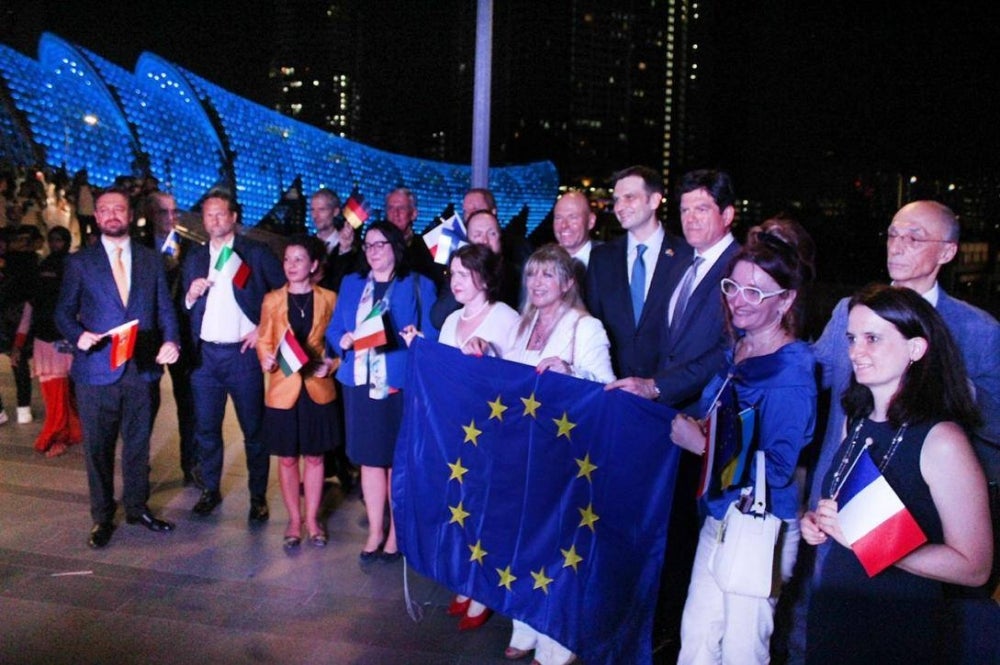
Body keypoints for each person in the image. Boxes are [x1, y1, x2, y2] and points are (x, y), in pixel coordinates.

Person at [785, 200, 1000, 664]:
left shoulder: (978, 336)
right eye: (892, 234)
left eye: (914, 237)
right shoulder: (856, 410)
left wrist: (951, 390)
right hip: (836, 595)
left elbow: (972, 563)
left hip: (907, 607)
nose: (857, 352)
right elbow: (811, 379)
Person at [606, 168, 741, 656]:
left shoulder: (739, 269)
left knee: (689, 542)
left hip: (706, 425)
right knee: (670, 534)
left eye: (702, 208)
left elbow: (727, 351)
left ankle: (672, 641)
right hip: (669, 423)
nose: (691, 218)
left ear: (728, 214)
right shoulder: (687, 261)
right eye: (685, 209)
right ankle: (660, 632)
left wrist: (658, 386)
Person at [669, 223, 817, 663]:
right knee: (696, 639)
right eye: (732, 287)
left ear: (785, 300)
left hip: (761, 525)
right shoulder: (742, 347)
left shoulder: (792, 371)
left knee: (742, 649)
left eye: (755, 292)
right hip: (721, 513)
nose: (738, 300)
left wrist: (702, 446)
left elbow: (778, 469)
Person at [502, 244, 615, 665]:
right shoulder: (522, 324)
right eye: (532, 274)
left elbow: (606, 389)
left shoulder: (586, 328)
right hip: (522, 451)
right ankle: (526, 624)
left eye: (548, 274)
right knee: (524, 541)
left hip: (564, 455)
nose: (537, 282)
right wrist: (486, 353)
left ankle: (558, 639)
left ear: (568, 283)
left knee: (558, 547)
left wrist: (571, 372)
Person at [401, 242, 520, 630]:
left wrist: (491, 354)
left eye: (464, 275)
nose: (455, 282)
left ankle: (484, 589)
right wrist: (420, 347)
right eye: (452, 274)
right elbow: (443, 372)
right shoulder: (451, 320)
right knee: (460, 507)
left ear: (484, 278)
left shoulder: (505, 318)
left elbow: (518, 376)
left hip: (490, 431)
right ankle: (467, 581)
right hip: (455, 429)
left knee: (485, 510)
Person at [54, 185, 180, 548]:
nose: (112, 215)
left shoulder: (151, 259)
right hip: (96, 371)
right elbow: (63, 312)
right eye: (105, 209)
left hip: (141, 369)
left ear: (130, 215)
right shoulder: (80, 262)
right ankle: (102, 516)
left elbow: (165, 308)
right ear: (96, 217)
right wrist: (78, 335)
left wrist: (172, 341)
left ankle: (138, 507)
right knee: (98, 448)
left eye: (119, 209)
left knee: (138, 446)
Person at [326, 220, 437, 563]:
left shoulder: (418, 284)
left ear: (395, 247)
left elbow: (434, 336)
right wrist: (342, 340)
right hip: (360, 383)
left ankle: (396, 533)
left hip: (397, 384)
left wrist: (417, 338)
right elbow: (334, 328)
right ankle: (375, 530)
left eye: (380, 244)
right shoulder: (352, 282)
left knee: (396, 462)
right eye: (368, 245)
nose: (373, 251)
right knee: (370, 461)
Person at [182, 188, 285, 522]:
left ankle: (257, 497)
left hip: (242, 357)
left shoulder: (254, 253)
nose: (214, 220)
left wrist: (262, 329)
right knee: (206, 429)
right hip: (206, 358)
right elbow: (183, 306)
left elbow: (283, 294)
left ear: (234, 217)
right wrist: (190, 295)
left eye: (220, 214)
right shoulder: (195, 257)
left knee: (253, 431)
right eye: (208, 215)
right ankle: (210, 489)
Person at [257, 235, 340, 548]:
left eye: (298, 259)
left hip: (317, 386)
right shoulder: (272, 300)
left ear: (313, 265)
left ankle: (313, 519)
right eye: (287, 259)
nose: (291, 265)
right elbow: (264, 339)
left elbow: (338, 343)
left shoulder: (329, 298)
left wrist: (332, 364)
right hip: (284, 387)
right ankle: (294, 520)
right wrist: (265, 358)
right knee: (288, 458)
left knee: (315, 457)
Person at [587, 165, 690, 382]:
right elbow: (593, 323)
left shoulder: (686, 256)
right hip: (613, 385)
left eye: (629, 197)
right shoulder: (601, 258)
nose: (619, 207)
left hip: (669, 388)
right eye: (616, 200)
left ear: (654, 201)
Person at [144, 191, 199, 486]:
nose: (171, 217)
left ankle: (192, 466)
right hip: (148, 339)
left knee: (188, 403)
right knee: (144, 406)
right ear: (150, 215)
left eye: (174, 211)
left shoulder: (192, 248)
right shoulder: (138, 247)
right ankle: (139, 467)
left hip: (184, 337)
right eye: (163, 212)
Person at [29, 226, 82, 457]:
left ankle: (59, 435)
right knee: (56, 392)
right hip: (46, 337)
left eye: (59, 240)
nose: (54, 244)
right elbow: (32, 304)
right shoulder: (46, 265)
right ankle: (65, 432)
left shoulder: (70, 265)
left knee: (61, 392)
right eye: (52, 239)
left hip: (62, 337)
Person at [384, 187, 445, 289]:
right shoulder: (374, 246)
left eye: (401, 208)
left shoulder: (427, 248)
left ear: (414, 214)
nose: (395, 213)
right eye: (391, 208)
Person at [312, 188, 358, 293]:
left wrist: (344, 250)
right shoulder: (305, 244)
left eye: (321, 209)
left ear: (336, 212)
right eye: (312, 210)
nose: (315, 215)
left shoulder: (351, 248)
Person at [553, 190, 597, 269]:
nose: (564, 225)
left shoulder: (612, 260)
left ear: (591, 221)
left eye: (573, 217)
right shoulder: (540, 263)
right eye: (558, 218)